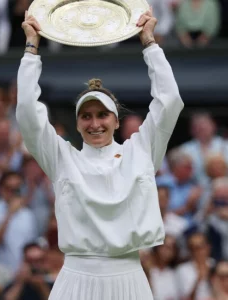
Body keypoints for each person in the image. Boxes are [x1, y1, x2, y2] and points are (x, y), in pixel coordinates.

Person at [16, 8, 183, 300]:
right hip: (75, 278)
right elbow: (28, 113)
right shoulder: (62, 157)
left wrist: (150, 44)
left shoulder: (141, 150)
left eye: (102, 115)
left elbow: (169, 102)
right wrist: (31, 49)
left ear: (117, 121)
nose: (95, 124)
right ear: (77, 123)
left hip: (129, 278)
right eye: (86, 116)